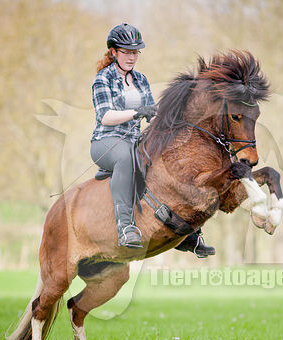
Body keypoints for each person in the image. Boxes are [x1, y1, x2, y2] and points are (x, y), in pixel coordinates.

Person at [91, 24, 215, 257]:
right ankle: (125, 226)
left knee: (168, 159)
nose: (131, 57)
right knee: (126, 158)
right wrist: (137, 112)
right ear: (114, 52)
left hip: (135, 140)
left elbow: (153, 113)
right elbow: (105, 117)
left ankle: (185, 233)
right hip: (106, 142)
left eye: (135, 52)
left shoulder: (140, 79)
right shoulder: (102, 79)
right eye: (126, 52)